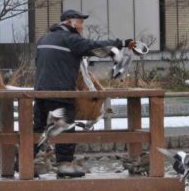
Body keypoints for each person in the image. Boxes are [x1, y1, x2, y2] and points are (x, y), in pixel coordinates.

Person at [34, 9, 135, 177]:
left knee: (38, 129)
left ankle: (22, 163)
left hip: (40, 92)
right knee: (66, 129)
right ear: (70, 23)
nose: (82, 26)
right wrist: (122, 43)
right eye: (80, 22)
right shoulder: (71, 39)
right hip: (61, 93)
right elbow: (95, 47)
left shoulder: (44, 39)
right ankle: (64, 167)